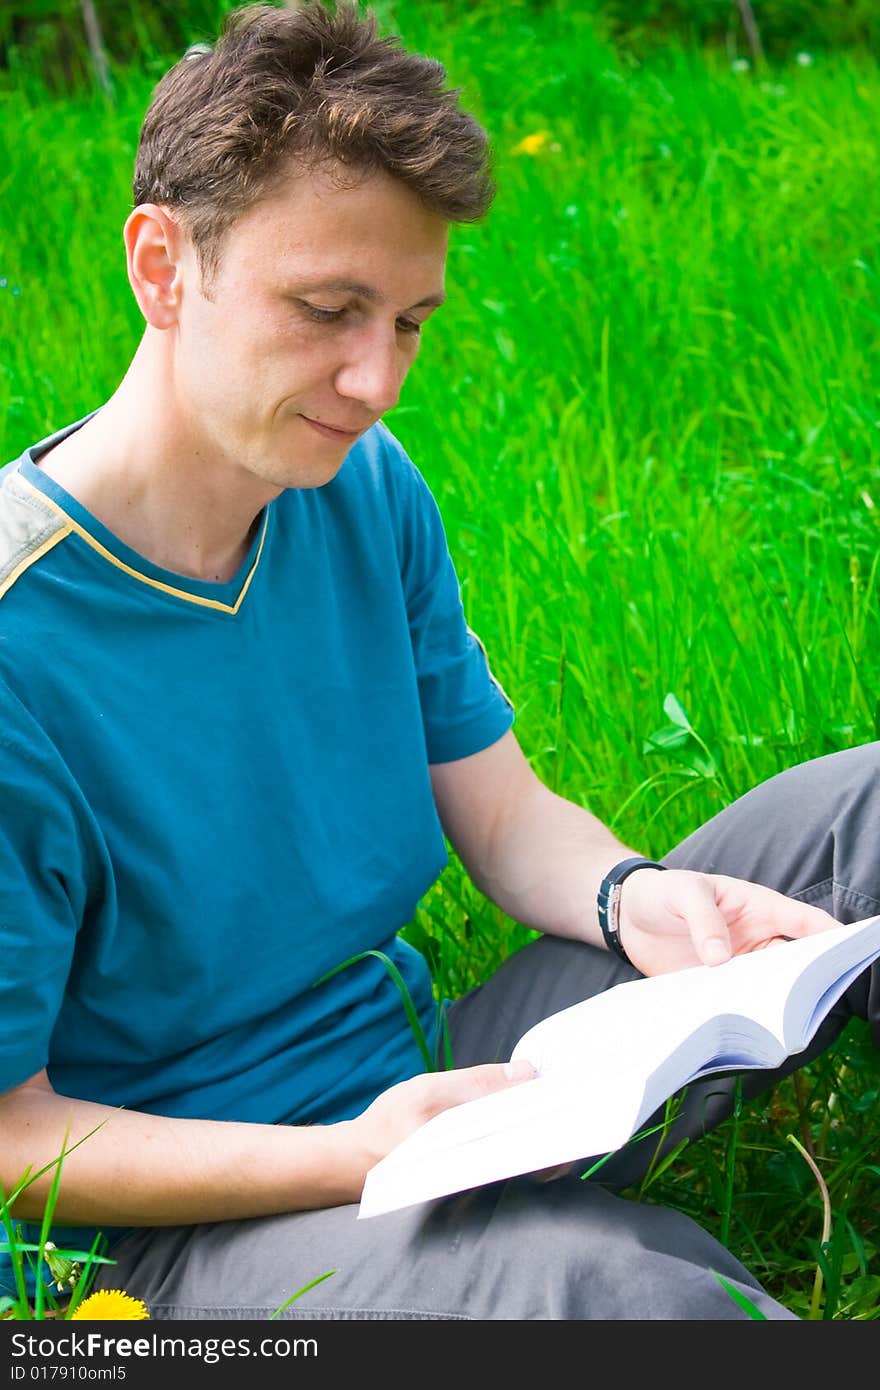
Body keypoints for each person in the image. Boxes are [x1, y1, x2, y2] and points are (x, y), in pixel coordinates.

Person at [0, 0, 876, 1322]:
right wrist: (355, 1154)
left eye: (408, 321)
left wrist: (630, 895)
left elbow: (506, 813)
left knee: (863, 809)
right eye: (329, 309)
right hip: (204, 1222)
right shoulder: (21, 643)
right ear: (163, 265)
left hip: (440, 1072)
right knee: (620, 1298)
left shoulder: (359, 482)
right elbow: (16, 1142)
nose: (376, 380)